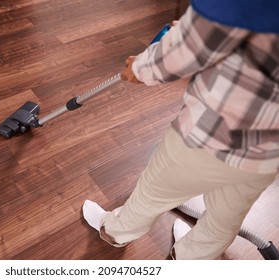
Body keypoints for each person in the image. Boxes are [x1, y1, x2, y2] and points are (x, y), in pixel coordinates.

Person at [82, 0, 279, 259]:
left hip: (206, 138)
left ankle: (117, 231)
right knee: (225, 217)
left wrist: (140, 68)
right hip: (266, 157)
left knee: (154, 192)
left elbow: (179, 56)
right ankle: (190, 258)